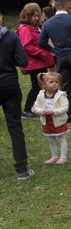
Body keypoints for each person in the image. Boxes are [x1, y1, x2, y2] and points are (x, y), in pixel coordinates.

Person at [0, 11, 34, 179]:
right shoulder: (11, 37)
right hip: (9, 84)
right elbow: (23, 61)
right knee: (14, 126)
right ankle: (21, 168)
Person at [16, 3, 55, 119]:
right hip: (34, 62)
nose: (37, 18)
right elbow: (26, 46)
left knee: (40, 85)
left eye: (38, 16)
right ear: (27, 16)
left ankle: (35, 107)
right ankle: (27, 109)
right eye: (34, 16)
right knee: (36, 86)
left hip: (39, 61)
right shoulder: (25, 29)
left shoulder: (34, 28)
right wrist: (41, 53)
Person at [32, 71, 70, 165]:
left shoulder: (61, 95)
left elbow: (65, 107)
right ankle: (54, 156)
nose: (54, 84)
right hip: (47, 121)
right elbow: (35, 107)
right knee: (51, 139)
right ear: (44, 84)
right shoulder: (41, 95)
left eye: (56, 82)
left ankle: (63, 157)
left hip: (58, 120)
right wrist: (40, 111)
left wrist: (54, 112)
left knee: (62, 137)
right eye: (51, 82)